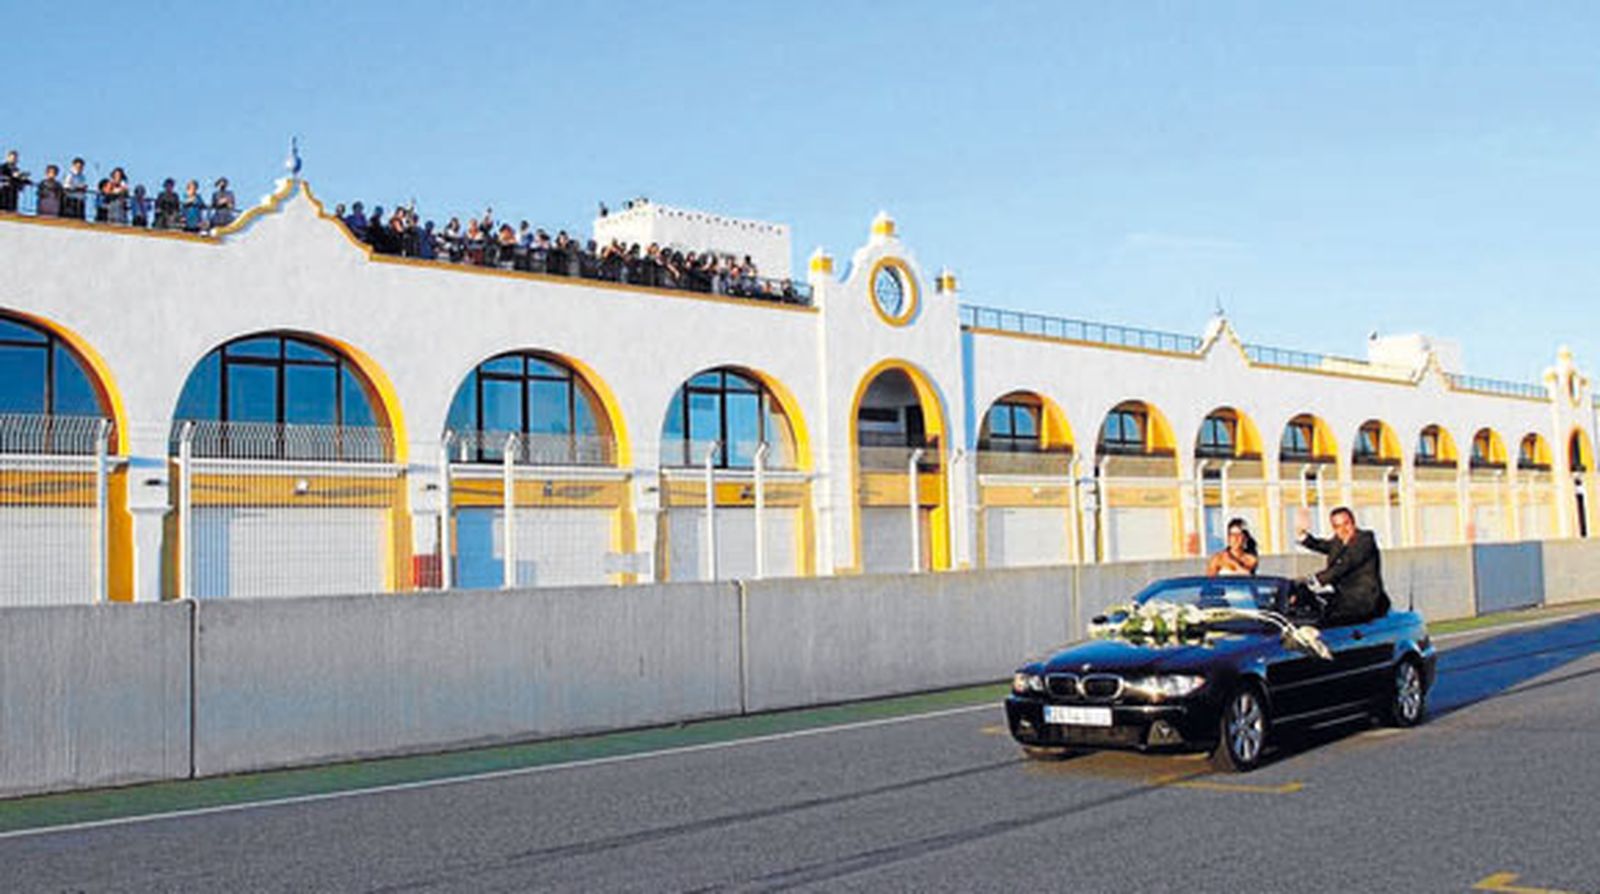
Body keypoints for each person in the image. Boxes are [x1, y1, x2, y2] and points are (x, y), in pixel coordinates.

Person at [1297, 506, 1389, 624]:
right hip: (1343, 598)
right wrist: (1302, 535)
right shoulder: (1338, 542)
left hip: (1364, 601)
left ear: (1353, 523)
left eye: (1346, 524)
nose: (1343, 529)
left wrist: (1316, 580)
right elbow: (1322, 545)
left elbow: (1345, 564)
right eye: (1337, 526)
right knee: (1308, 606)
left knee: (1327, 622)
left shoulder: (1365, 539)